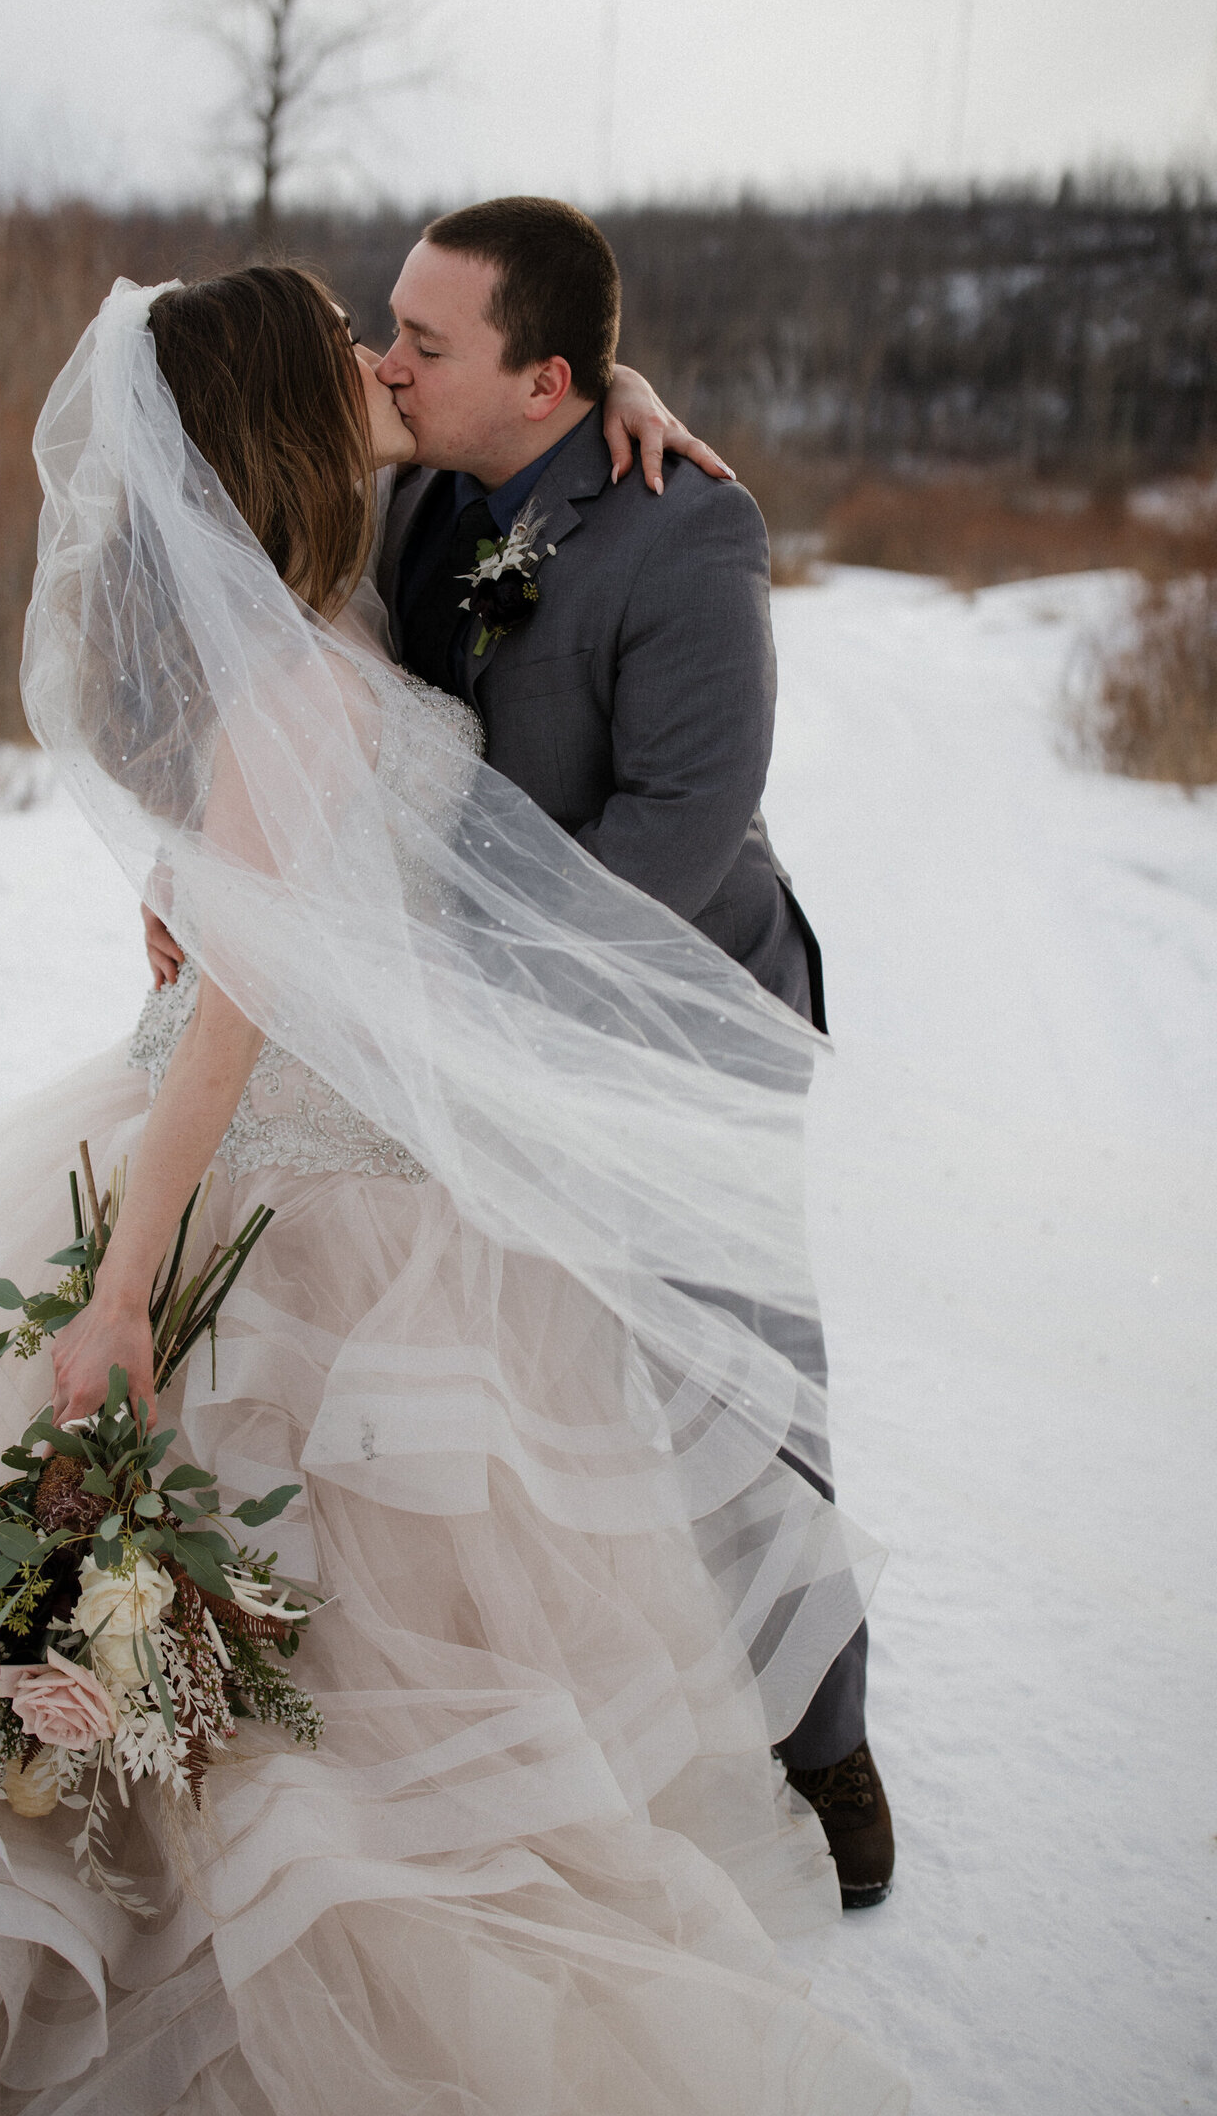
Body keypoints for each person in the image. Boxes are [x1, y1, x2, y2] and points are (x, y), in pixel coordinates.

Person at [0, 265, 907, 2116]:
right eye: (350, 352)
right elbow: (230, 1020)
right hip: (281, 1182)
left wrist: (617, 387)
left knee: (361, 1606)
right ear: (301, 428)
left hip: (396, 1160)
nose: (386, 364)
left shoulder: (347, 581)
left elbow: (485, 434)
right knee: (260, 1597)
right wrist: (123, 1290)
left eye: (401, 341)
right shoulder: (302, 665)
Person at [147, 200, 893, 1907]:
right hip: (435, 1037)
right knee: (474, 1388)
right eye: (383, 324)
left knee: (736, 1380)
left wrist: (429, 994)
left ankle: (828, 1745)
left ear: (546, 380)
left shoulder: (685, 532)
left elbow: (677, 835)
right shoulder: (408, 477)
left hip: (662, 1024)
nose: (384, 358)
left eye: (421, 339)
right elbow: (258, 658)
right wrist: (200, 866)